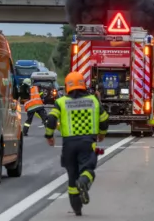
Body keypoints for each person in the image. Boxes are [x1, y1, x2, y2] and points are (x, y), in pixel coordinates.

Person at [44, 71, 109, 216]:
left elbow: (51, 120)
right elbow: (104, 119)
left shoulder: (61, 102)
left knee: (72, 177)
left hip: (68, 145)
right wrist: (102, 134)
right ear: (83, 85)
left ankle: (77, 209)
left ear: (67, 86)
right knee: (88, 168)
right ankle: (84, 181)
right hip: (87, 142)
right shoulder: (93, 100)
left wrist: (49, 135)